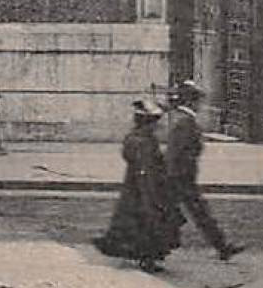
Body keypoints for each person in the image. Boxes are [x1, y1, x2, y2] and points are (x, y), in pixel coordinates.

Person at [94, 99, 182, 273]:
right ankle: (147, 259)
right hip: (145, 188)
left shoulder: (137, 138)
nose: (157, 126)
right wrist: (153, 193)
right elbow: (146, 169)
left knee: (139, 223)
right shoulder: (143, 142)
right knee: (149, 223)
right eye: (154, 123)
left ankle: (146, 257)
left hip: (136, 188)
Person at [165, 80, 245, 261]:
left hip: (182, 178)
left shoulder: (184, 120)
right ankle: (148, 250)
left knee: (196, 213)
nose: (201, 105)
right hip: (180, 179)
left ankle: (222, 247)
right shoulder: (185, 122)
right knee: (184, 214)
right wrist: (174, 177)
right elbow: (175, 154)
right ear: (191, 101)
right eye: (199, 101)